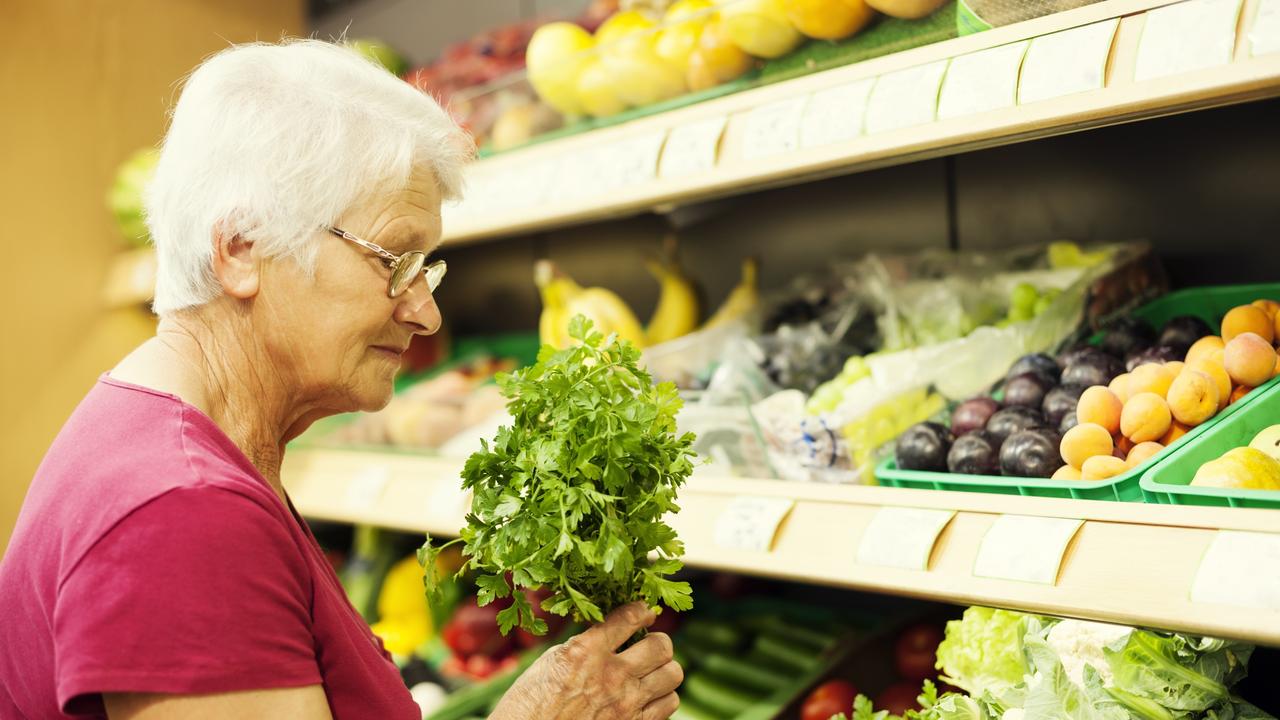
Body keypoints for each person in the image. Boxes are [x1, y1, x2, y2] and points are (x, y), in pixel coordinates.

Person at [0, 39, 682, 720]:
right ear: (243, 249)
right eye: (393, 260)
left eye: (427, 268)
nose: (425, 310)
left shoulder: (177, 447)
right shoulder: (181, 512)